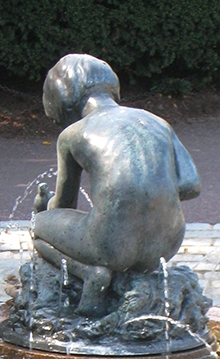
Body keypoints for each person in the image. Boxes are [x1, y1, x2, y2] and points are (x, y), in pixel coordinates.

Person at [31, 54, 201, 317]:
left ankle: (90, 274)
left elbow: (65, 205)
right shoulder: (156, 122)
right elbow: (191, 185)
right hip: (166, 245)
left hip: (110, 247)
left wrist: (44, 209)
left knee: (38, 226)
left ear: (62, 95)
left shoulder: (73, 134)